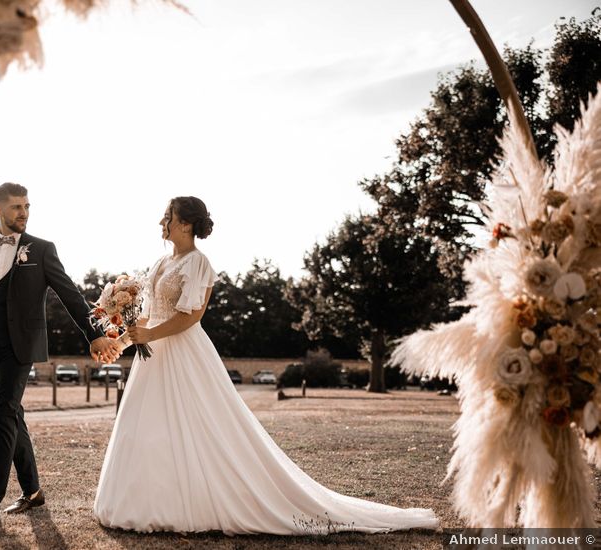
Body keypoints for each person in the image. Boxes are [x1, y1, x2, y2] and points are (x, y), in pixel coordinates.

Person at [92, 196, 439, 535]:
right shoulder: (159, 264)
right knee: (147, 428)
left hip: (183, 353)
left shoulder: (199, 262)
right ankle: (144, 501)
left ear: (184, 223)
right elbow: (148, 316)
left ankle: (192, 501)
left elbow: (191, 316)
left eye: (167, 216)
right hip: (152, 356)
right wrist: (121, 343)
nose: (161, 222)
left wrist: (150, 333)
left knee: (201, 426)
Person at [0, 182, 121, 527]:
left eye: (27, 206)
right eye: (16, 207)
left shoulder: (41, 250)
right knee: (11, 415)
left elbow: (70, 293)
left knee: (2, 416)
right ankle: (33, 492)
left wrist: (95, 334)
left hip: (21, 346)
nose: (23, 213)